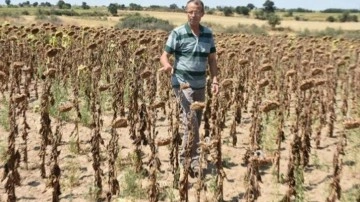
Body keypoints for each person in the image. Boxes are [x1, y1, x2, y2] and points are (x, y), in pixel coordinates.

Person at [159, 0, 219, 177]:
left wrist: (215, 79)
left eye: (197, 12)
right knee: (190, 120)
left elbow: (212, 59)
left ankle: (190, 156)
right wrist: (168, 66)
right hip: (182, 83)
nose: (193, 15)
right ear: (186, 13)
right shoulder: (177, 33)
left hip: (200, 84)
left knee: (196, 122)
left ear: (203, 14)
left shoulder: (208, 34)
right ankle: (189, 159)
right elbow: (164, 56)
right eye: (190, 12)